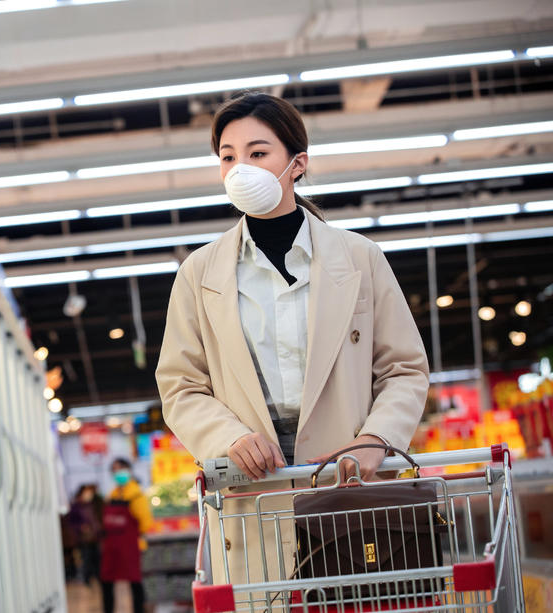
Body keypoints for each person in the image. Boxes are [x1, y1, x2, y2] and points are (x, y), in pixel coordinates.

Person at [155, 92, 429, 587]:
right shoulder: (198, 274)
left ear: (297, 163)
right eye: (228, 157)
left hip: (349, 484)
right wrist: (229, 437)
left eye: (258, 154)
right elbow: (181, 386)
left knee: (355, 594)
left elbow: (404, 368)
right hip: (253, 491)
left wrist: (375, 438)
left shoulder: (360, 257)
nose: (241, 168)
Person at [100, 458, 153, 613]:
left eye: (121, 468)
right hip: (111, 546)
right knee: (106, 582)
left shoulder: (136, 494)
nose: (118, 473)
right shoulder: (112, 494)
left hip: (129, 546)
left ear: (129, 470)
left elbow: (146, 522)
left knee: (135, 582)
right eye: (115, 470)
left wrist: (135, 535)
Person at [67, 484, 103, 585]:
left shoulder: (93, 505)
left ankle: (97, 577)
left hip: (95, 537)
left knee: (97, 558)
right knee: (86, 559)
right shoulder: (76, 506)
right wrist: (81, 526)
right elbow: (71, 521)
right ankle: (87, 579)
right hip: (83, 539)